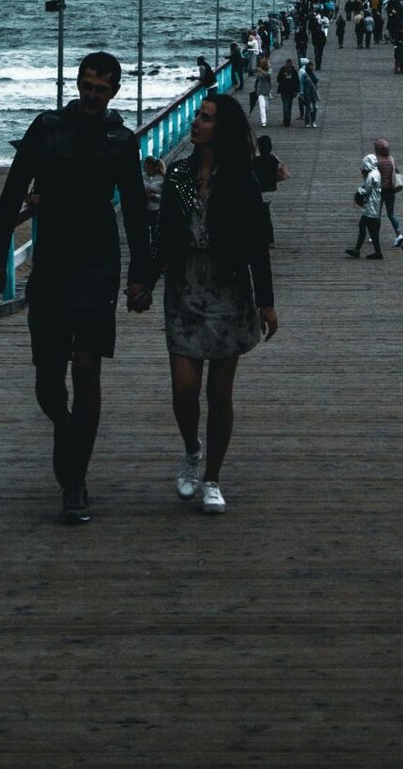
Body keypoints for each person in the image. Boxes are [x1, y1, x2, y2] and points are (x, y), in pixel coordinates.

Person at [0, 49, 156, 525]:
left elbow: (138, 210)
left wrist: (141, 274)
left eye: (102, 88)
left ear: (115, 91)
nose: (92, 94)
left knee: (86, 367)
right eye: (86, 85)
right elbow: (13, 189)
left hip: (98, 265)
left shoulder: (121, 142)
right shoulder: (46, 129)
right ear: (76, 83)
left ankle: (76, 481)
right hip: (52, 265)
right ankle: (65, 427)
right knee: (47, 378)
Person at [156, 93, 276, 514]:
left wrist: (266, 301)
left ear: (220, 128)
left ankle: (212, 477)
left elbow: (257, 243)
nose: (195, 124)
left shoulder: (240, 178)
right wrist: (144, 280)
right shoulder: (182, 175)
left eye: (205, 119)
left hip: (228, 290)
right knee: (184, 390)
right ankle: (192, 450)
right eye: (196, 117)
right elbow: (165, 232)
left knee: (219, 391)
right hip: (185, 288)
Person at [347, 154, 383, 258]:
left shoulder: (371, 175)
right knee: (372, 231)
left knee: (362, 225)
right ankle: (377, 252)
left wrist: (359, 190)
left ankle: (357, 250)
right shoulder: (377, 173)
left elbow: (366, 191)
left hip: (370, 207)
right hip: (376, 205)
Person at [373, 137, 403, 245]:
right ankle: (399, 234)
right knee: (391, 213)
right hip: (391, 190)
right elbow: (397, 171)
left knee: (377, 214)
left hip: (379, 190)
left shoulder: (376, 161)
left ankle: (375, 235)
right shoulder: (391, 159)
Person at [275, 57, 301, 127]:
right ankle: (286, 120)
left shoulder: (294, 71)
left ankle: (288, 119)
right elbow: (278, 79)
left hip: (291, 91)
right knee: (286, 106)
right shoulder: (282, 70)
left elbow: (297, 81)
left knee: (289, 106)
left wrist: (296, 90)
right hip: (284, 91)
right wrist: (284, 76)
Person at [250, 55, 273, 130]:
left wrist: (260, 70)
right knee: (262, 106)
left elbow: (268, 75)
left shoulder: (269, 70)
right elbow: (259, 78)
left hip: (267, 90)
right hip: (260, 89)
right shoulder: (259, 72)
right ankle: (264, 121)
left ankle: (264, 118)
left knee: (266, 106)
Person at [298, 58, 320, 127]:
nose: (313, 67)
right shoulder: (305, 75)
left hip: (314, 93)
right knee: (308, 108)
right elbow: (301, 84)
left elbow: (316, 81)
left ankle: (313, 121)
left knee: (315, 108)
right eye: (312, 66)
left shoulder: (314, 74)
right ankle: (307, 122)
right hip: (307, 94)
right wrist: (301, 93)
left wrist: (314, 74)